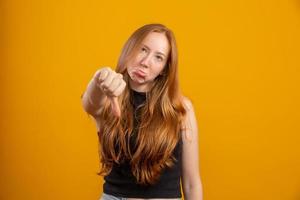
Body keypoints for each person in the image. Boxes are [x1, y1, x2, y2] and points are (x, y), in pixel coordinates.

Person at [81, 23, 203, 200]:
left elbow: (192, 183)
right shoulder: (108, 97)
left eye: (158, 57)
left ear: (164, 69)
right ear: (130, 49)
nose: (145, 62)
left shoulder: (181, 108)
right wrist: (98, 80)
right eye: (143, 49)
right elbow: (90, 104)